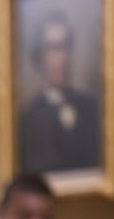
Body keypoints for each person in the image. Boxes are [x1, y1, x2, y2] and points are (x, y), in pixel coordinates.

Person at [17, 10, 102, 174]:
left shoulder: (93, 107)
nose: (62, 57)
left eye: (66, 46)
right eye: (53, 48)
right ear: (39, 57)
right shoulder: (27, 118)